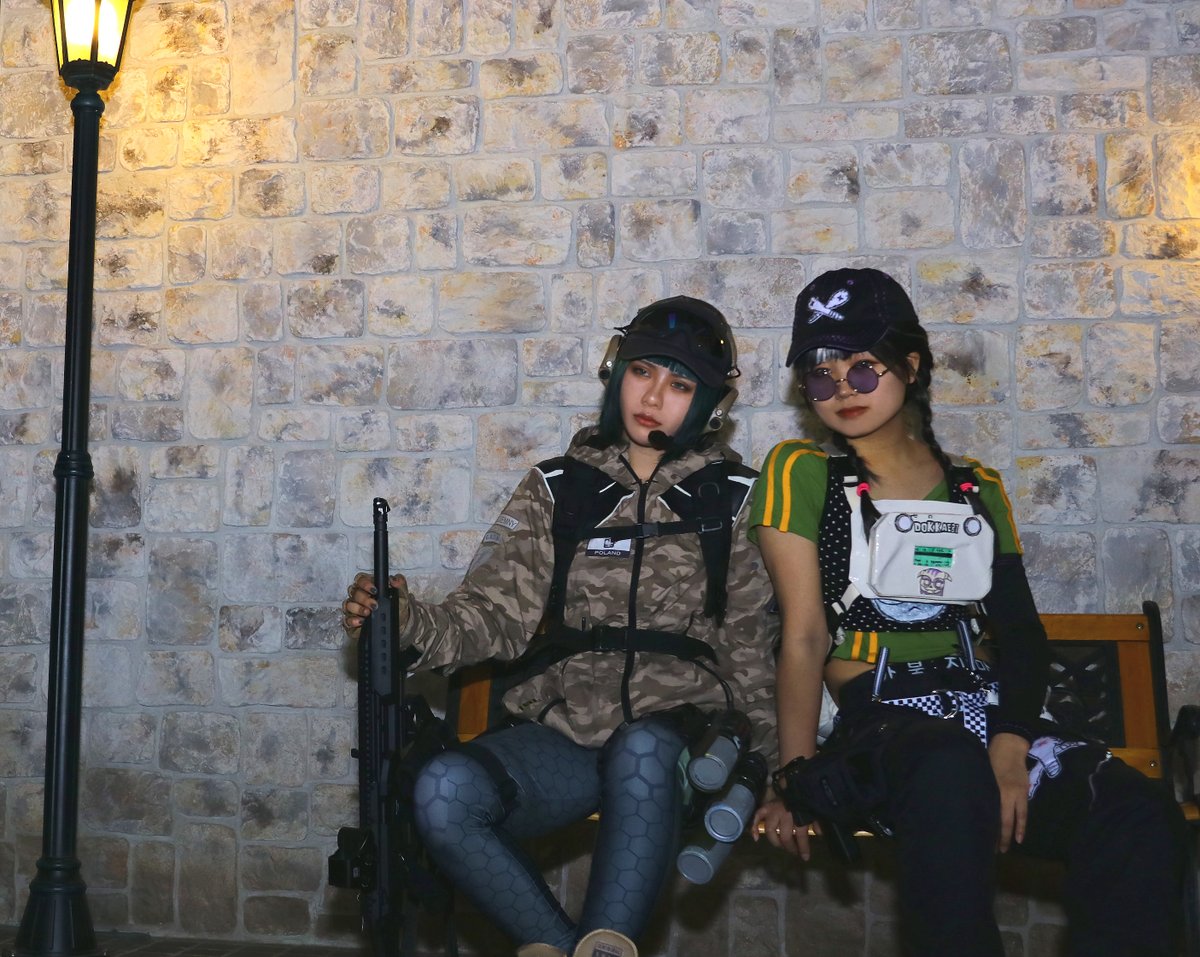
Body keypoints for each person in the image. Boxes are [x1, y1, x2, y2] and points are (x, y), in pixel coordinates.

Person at [748, 268, 1186, 956]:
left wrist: (1011, 747)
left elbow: (1021, 635)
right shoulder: (802, 471)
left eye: (862, 368)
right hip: (876, 723)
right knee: (948, 767)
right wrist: (796, 779)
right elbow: (803, 637)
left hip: (982, 712)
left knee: (1136, 811)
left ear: (911, 365)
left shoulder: (975, 489)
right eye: (820, 376)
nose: (842, 389)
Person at [342, 296, 778, 957]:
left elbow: (752, 649)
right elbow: (491, 614)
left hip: (678, 750)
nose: (652, 397)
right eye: (642, 372)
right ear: (615, 371)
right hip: (567, 735)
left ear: (712, 403)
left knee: (642, 748)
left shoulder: (739, 498)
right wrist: (405, 622)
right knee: (443, 790)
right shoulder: (557, 487)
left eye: (680, 384)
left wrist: (773, 769)